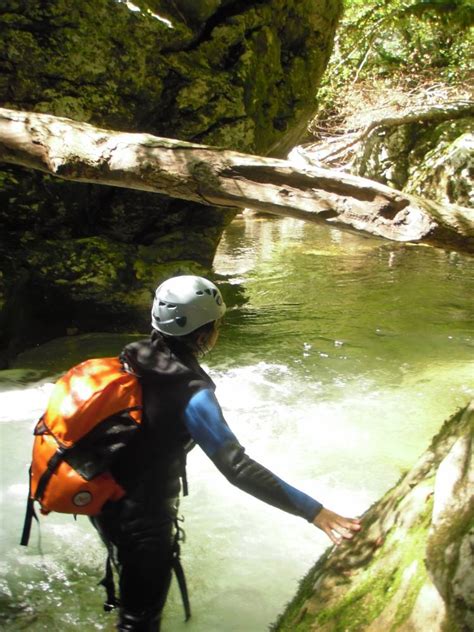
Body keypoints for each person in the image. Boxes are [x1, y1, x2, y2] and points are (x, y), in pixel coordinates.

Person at [91, 275, 361, 631]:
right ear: (203, 335)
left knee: (133, 593)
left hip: (103, 498)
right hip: (144, 521)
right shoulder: (190, 391)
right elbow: (236, 467)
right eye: (218, 325)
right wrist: (316, 512)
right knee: (139, 623)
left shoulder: (134, 355)